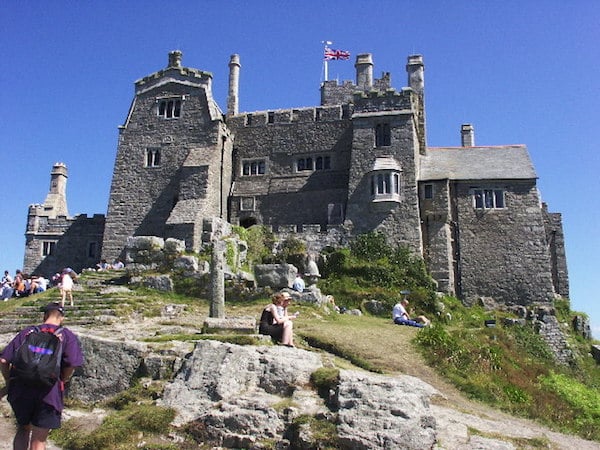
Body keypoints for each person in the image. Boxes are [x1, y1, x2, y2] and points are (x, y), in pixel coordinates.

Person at [0, 302, 84, 450]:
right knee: (39, 440)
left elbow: (3, 360)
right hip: (49, 393)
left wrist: (9, 381)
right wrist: (63, 379)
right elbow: (72, 363)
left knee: (23, 429)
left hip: (21, 390)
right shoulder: (67, 336)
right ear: (61, 318)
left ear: (44, 315)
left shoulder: (27, 332)